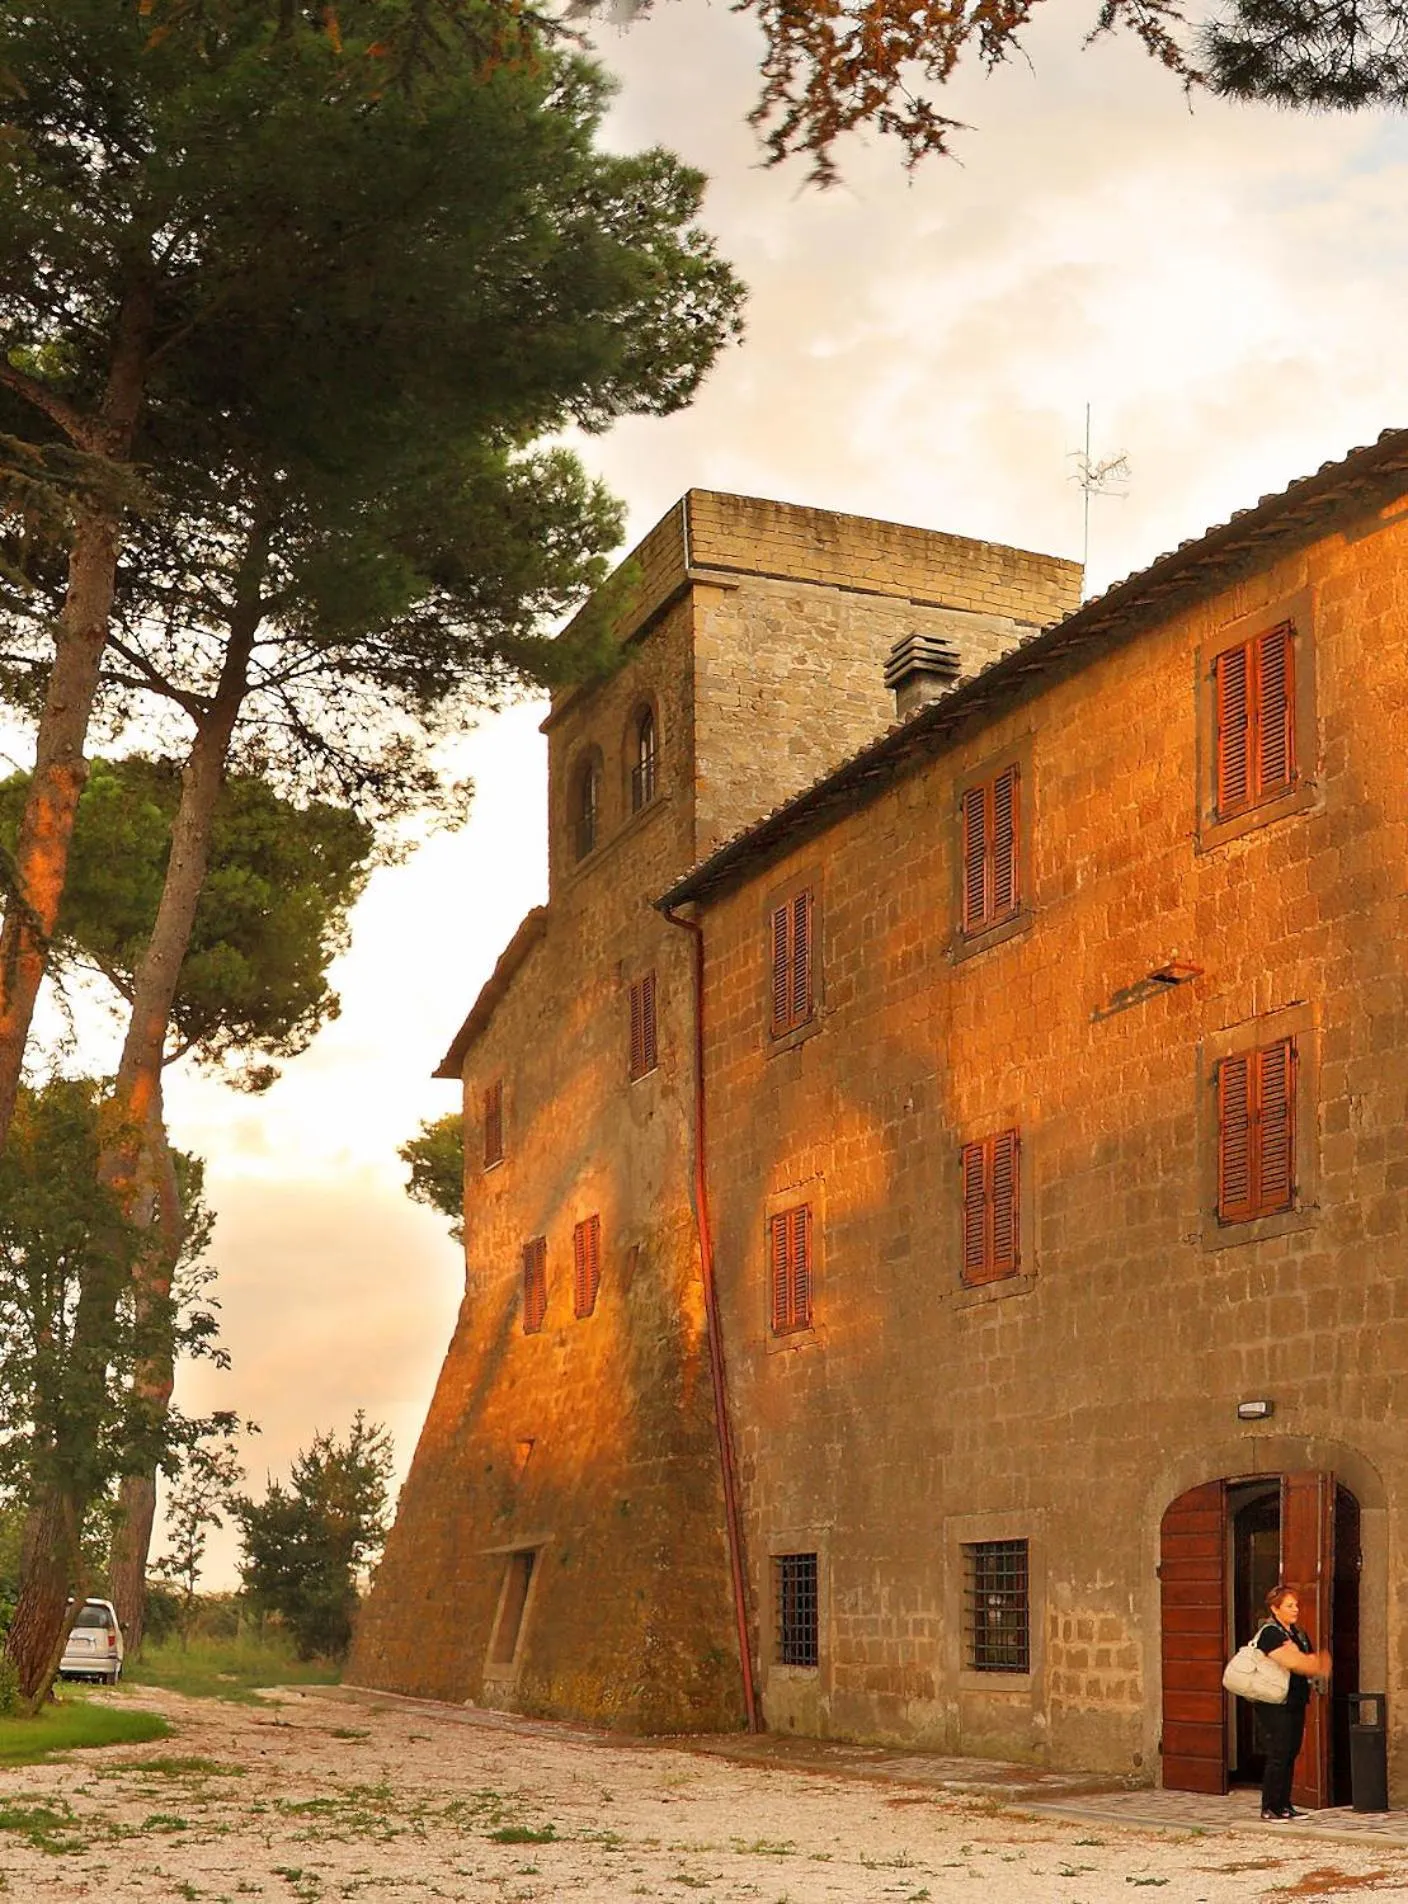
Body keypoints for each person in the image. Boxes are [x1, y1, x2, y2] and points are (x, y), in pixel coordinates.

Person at [1255, 1583, 1331, 1820]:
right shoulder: (1270, 1633)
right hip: (1275, 1704)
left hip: (1295, 1701)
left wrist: (1312, 1663)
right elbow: (1293, 1662)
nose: (1295, 1609)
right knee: (1278, 1753)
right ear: (1275, 1609)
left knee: (1290, 1752)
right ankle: (1269, 1806)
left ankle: (1284, 1804)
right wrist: (1315, 1662)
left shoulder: (1297, 1634)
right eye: (1289, 1605)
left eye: (1296, 1605)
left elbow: (1306, 1662)